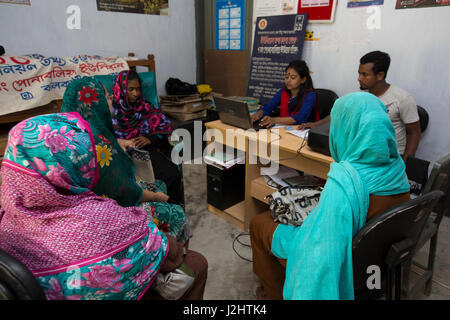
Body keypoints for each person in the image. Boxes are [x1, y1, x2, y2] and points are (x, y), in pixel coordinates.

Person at [0, 113, 207, 300]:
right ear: (79, 161)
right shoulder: (103, 220)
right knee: (197, 263)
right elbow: (164, 250)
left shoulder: (5, 214)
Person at [250, 92, 411, 300]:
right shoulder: (397, 166)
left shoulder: (344, 182)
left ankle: (273, 294)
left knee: (259, 223)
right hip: (377, 255)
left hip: (350, 261)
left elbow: (318, 257)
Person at [60, 77, 191, 245]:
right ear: (95, 102)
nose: (112, 101)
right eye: (107, 98)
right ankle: (171, 248)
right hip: (110, 210)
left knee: (169, 172)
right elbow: (123, 190)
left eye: (138, 89)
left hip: (137, 153)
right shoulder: (101, 144)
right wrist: (157, 197)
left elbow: (162, 127)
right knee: (174, 211)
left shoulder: (64, 136)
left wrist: (147, 139)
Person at [299, 51, 421, 162]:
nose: (359, 78)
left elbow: (414, 132)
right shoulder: (361, 96)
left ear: (380, 75)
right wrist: (315, 125)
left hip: (389, 157)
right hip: (362, 152)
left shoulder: (402, 98)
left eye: (364, 74)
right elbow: (338, 115)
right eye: (359, 73)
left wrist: (405, 163)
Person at [110, 70, 184, 205]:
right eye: (131, 89)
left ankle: (174, 210)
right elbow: (105, 137)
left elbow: (164, 125)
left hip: (144, 152)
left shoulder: (144, 106)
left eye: (138, 89)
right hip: (120, 156)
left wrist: (150, 138)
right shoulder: (111, 110)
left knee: (171, 173)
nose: (135, 93)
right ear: (120, 89)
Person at [251, 60, 319, 128]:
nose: (288, 80)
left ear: (303, 80)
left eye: (293, 78)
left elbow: (300, 118)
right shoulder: (283, 92)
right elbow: (268, 107)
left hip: (302, 131)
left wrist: (274, 120)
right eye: (286, 77)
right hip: (284, 128)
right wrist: (259, 114)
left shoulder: (310, 96)